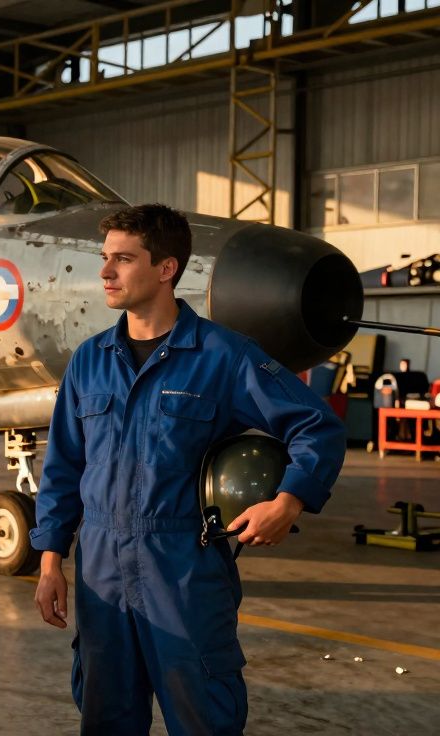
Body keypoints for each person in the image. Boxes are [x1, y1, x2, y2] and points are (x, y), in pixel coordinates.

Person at [30, 204, 345, 735]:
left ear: (166, 268)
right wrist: (48, 562)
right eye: (105, 258)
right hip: (101, 573)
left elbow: (316, 425)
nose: (105, 272)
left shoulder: (223, 355)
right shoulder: (89, 360)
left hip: (183, 570)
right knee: (106, 719)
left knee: (204, 720)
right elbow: (64, 466)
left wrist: (287, 501)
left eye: (123, 260)